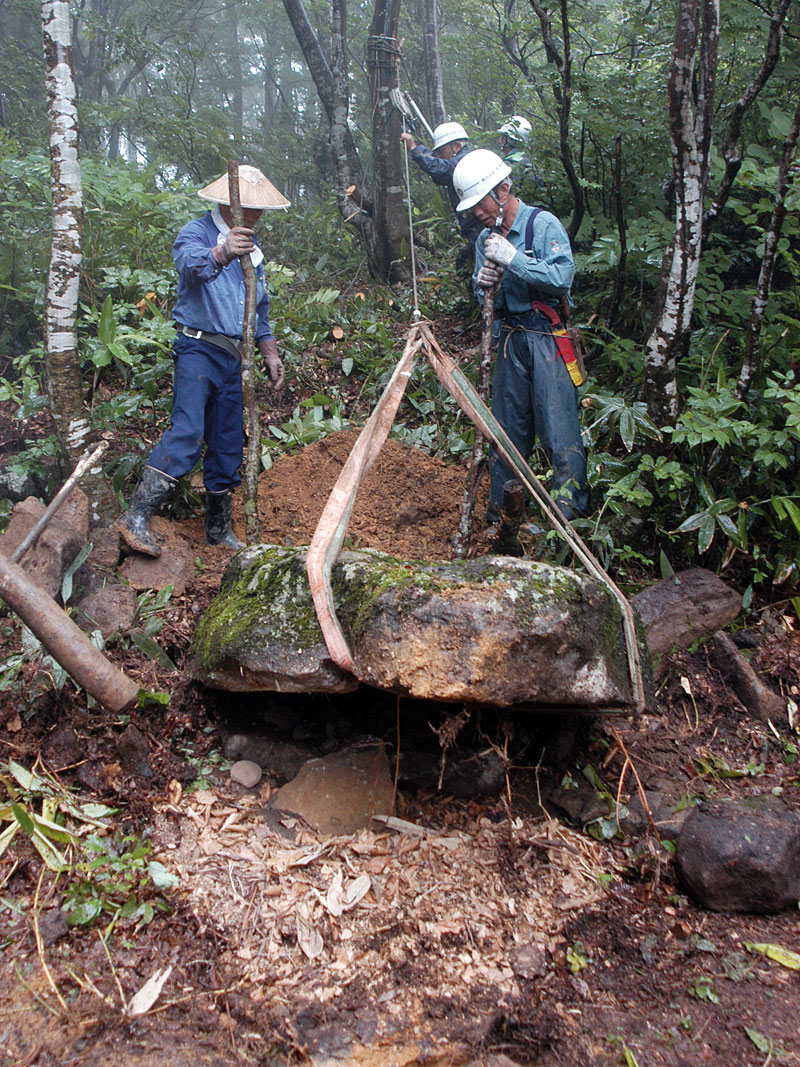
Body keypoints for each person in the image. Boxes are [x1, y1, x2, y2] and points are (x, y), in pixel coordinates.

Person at [117, 165, 289, 557]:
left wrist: (269, 351)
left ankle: (218, 531)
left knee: (228, 444)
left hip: (234, 359)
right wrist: (223, 250)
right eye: (251, 209)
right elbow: (192, 269)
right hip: (198, 349)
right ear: (230, 206)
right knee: (189, 432)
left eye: (262, 210)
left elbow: (259, 311)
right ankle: (137, 516)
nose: (258, 217)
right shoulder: (196, 233)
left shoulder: (256, 255)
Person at [452, 148, 588, 527]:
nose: (477, 213)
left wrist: (515, 259)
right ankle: (503, 519)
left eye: (481, 203)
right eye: (472, 207)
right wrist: (481, 286)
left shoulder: (541, 224)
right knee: (507, 434)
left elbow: (562, 277)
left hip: (547, 337)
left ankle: (568, 519)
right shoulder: (485, 240)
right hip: (510, 340)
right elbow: (486, 298)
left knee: (559, 429)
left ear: (503, 188)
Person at [400, 122, 485, 264]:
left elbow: (441, 170)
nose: (441, 156)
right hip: (474, 231)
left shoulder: (465, 162)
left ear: (457, 146)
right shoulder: (458, 162)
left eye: (442, 151)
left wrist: (414, 149)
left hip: (481, 228)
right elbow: (441, 172)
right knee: (463, 263)